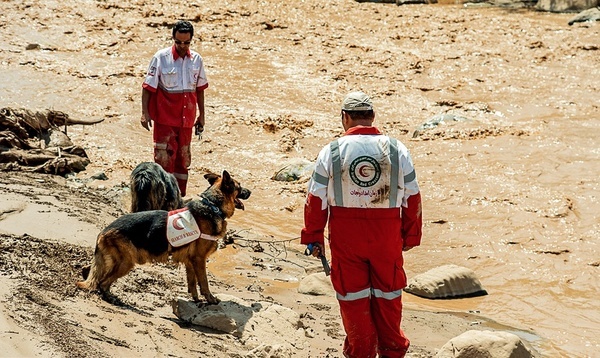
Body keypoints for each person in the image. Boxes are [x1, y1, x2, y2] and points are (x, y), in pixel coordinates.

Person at [301, 91, 422, 358]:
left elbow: (315, 199)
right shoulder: (397, 149)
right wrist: (410, 235)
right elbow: (412, 196)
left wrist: (313, 237)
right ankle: (392, 352)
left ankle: (360, 352)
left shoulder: (330, 151)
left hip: (346, 239)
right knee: (389, 298)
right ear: (372, 117)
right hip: (386, 237)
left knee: (352, 299)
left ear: (345, 118)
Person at [141, 20, 208, 197]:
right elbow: (147, 88)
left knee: (182, 161)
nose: (182, 46)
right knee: (164, 161)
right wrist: (144, 113)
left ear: (191, 40)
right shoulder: (161, 58)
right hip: (165, 121)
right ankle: (162, 199)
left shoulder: (197, 60)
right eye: (178, 42)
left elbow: (200, 90)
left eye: (186, 43)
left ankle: (178, 198)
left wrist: (202, 115)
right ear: (173, 39)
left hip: (186, 121)